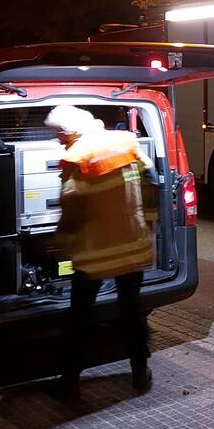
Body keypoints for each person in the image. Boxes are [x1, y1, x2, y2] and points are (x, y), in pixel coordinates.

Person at [45, 104, 155, 397]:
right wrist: (150, 223)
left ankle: (69, 381)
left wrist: (61, 242)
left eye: (57, 134)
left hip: (94, 254)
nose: (57, 140)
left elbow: (71, 207)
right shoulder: (124, 143)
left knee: (79, 317)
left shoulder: (76, 157)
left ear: (68, 131)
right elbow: (150, 182)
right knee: (132, 311)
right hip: (132, 245)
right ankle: (139, 374)